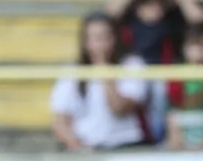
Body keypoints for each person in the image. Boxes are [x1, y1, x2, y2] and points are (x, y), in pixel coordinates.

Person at [50, 12, 150, 151]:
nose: (101, 43)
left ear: (115, 38)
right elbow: (60, 121)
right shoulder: (72, 71)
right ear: (85, 42)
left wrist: (105, 74)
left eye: (105, 37)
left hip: (126, 145)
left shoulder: (132, 64)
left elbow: (119, 108)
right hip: (87, 147)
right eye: (95, 38)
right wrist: (78, 148)